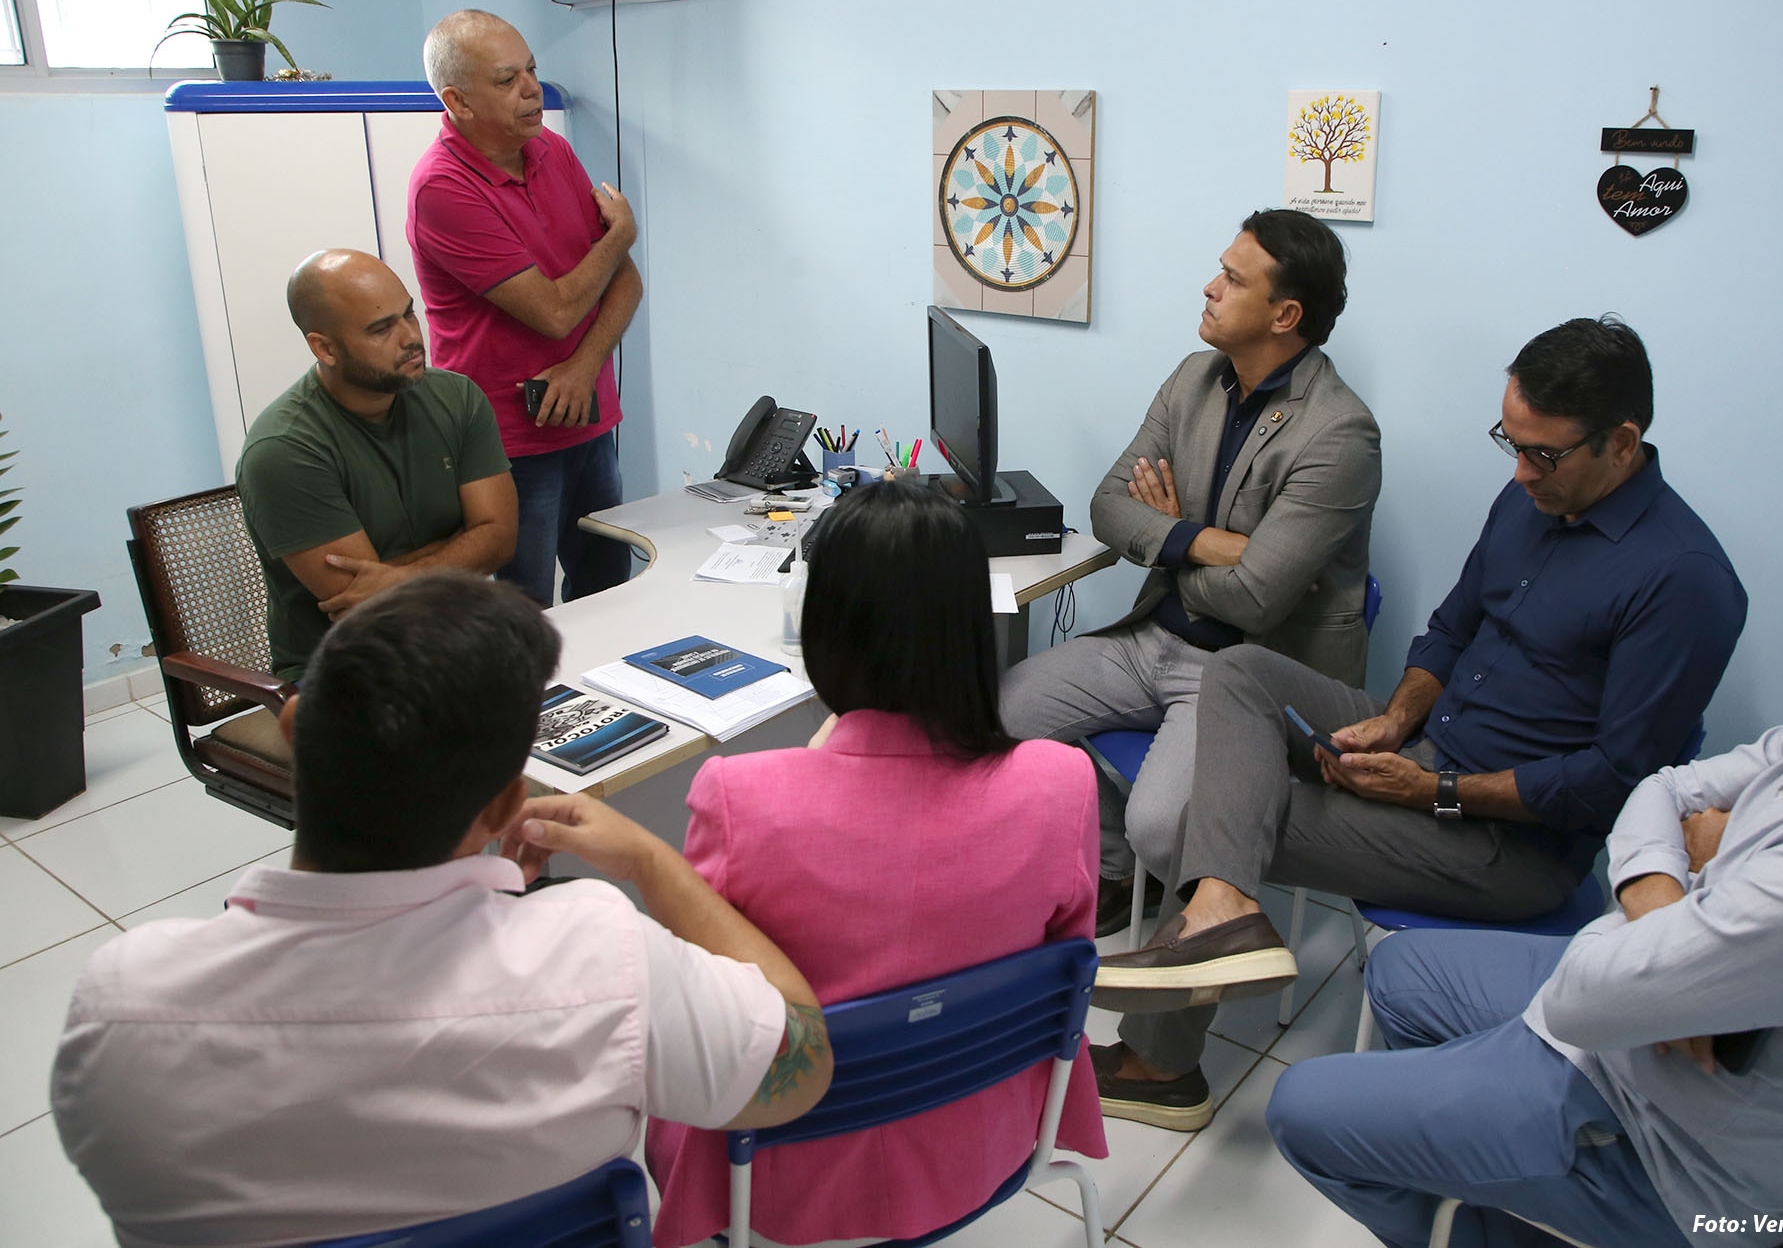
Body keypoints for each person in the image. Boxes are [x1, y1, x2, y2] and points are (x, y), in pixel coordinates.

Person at [1265, 509, 1783, 1248]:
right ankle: (1476, 1169)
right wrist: (1667, 901)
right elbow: (1666, 786)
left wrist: (1673, 908)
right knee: (1401, 972)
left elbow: (1582, 999)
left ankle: (1480, 1222)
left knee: (1301, 1108)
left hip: (1668, 1153)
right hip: (1642, 1028)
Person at [1090, 315, 1747, 1131]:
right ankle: (1222, 912)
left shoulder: (1684, 580)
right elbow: (1451, 626)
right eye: (1510, 443)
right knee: (1241, 671)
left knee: (1223, 812)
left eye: (1543, 454)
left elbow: (1613, 781)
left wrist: (1431, 790)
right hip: (1431, 743)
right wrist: (1397, 718)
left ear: (1622, 441)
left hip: (1507, 840)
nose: (1520, 472)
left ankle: (1161, 1064)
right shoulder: (1531, 500)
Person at [51, 573, 832, 1246]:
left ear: (293, 732)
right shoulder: (604, 952)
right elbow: (800, 1069)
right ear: (505, 805)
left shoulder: (119, 1007)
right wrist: (651, 862)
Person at [644, 478, 1107, 1247]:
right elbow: (1064, 964)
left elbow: (703, 1008)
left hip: (780, 1183)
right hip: (983, 1144)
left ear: (828, 624)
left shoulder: (741, 798)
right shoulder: (1063, 781)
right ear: (972, 624)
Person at [1001, 208, 1382, 935]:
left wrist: (1168, 543)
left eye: (1233, 279)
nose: (1210, 287)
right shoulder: (1195, 378)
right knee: (998, 715)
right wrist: (1207, 542)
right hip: (1154, 637)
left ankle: (1159, 874)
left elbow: (1258, 601)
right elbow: (1108, 506)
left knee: (1160, 824)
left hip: (1243, 671)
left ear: (1285, 315)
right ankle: (1118, 870)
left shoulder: (1340, 433)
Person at [408, 8, 640, 606]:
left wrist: (584, 366)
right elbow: (556, 312)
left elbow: (626, 283)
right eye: (507, 79)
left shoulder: (552, 150)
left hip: (586, 416)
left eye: (532, 70)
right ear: (458, 101)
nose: (532, 88)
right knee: (521, 608)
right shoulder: (442, 187)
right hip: (506, 440)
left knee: (608, 591)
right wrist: (619, 234)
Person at [237, 248, 516, 681]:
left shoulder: (457, 398)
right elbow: (367, 606)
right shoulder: (283, 449)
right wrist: (462, 548)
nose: (410, 338)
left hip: (460, 639)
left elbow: (500, 540)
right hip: (347, 669)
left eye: (409, 314)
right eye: (381, 329)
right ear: (325, 347)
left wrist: (399, 577)